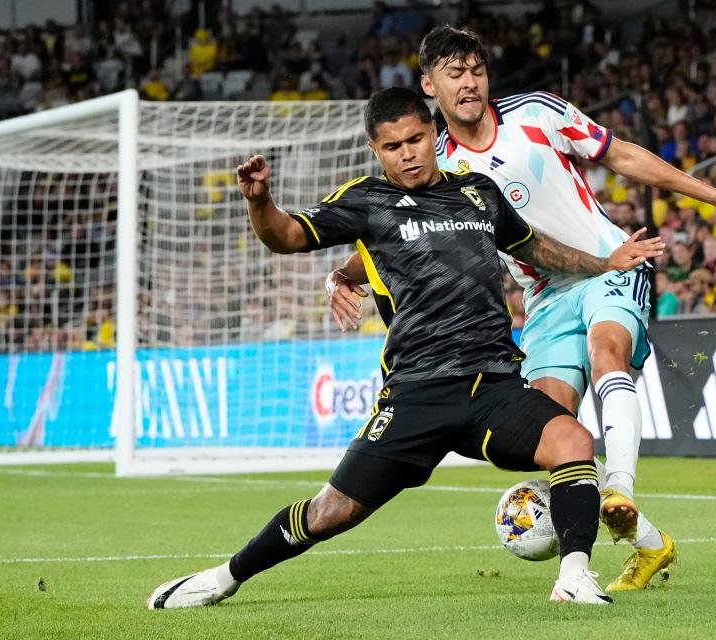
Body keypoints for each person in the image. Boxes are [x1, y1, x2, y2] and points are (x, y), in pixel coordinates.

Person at [147, 88, 666, 610]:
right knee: (333, 511)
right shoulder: (366, 201)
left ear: (432, 133)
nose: (408, 153)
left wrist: (605, 263)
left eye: (416, 139)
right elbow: (285, 237)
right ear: (376, 149)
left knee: (573, 440)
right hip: (418, 393)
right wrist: (260, 201)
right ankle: (222, 578)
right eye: (393, 146)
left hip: (494, 386)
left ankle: (574, 576)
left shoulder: (479, 193)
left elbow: (534, 246)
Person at [327, 26, 716, 591]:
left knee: (606, 351)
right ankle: (650, 543)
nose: (469, 83)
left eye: (476, 70)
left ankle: (621, 488)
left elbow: (625, 157)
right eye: (454, 74)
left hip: (609, 264)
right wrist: (340, 276)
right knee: (552, 428)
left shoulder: (537, 113)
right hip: (544, 296)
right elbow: (394, 234)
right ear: (429, 86)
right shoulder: (433, 162)